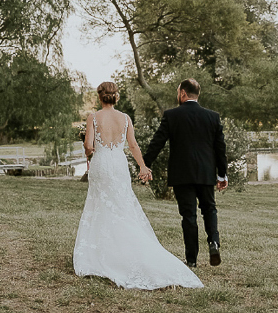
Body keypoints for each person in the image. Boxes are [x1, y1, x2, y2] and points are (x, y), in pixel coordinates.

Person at [73, 82, 203, 290]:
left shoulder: (93, 118)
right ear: (116, 97)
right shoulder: (125, 118)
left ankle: (103, 254)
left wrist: (88, 147)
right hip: (119, 164)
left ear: (100, 97)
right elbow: (133, 145)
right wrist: (143, 166)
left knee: (100, 204)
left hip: (101, 164)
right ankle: (128, 249)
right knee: (122, 205)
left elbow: (89, 147)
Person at [141, 78, 228, 268]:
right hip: (205, 173)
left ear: (182, 93)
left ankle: (192, 260)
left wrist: (145, 164)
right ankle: (213, 242)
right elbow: (220, 148)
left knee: (189, 216)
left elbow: (157, 142)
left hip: (182, 174)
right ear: (197, 94)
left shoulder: (172, 116)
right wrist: (222, 175)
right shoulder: (212, 117)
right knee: (209, 209)